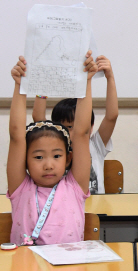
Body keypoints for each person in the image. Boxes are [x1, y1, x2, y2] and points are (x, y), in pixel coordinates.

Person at [7, 51, 96, 245]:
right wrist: (20, 85)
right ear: (25, 160)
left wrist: (86, 83)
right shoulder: (21, 188)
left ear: (68, 158)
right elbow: (16, 137)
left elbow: (81, 133)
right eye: (38, 157)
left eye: (57, 156)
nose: (48, 165)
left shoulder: (75, 186)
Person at [32, 56, 118, 195]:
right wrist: (43, 83)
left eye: (74, 127)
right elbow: (38, 118)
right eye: (64, 127)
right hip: (64, 212)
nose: (71, 133)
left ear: (90, 127)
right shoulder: (53, 148)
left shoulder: (96, 144)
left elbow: (112, 116)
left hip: (94, 211)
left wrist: (110, 78)